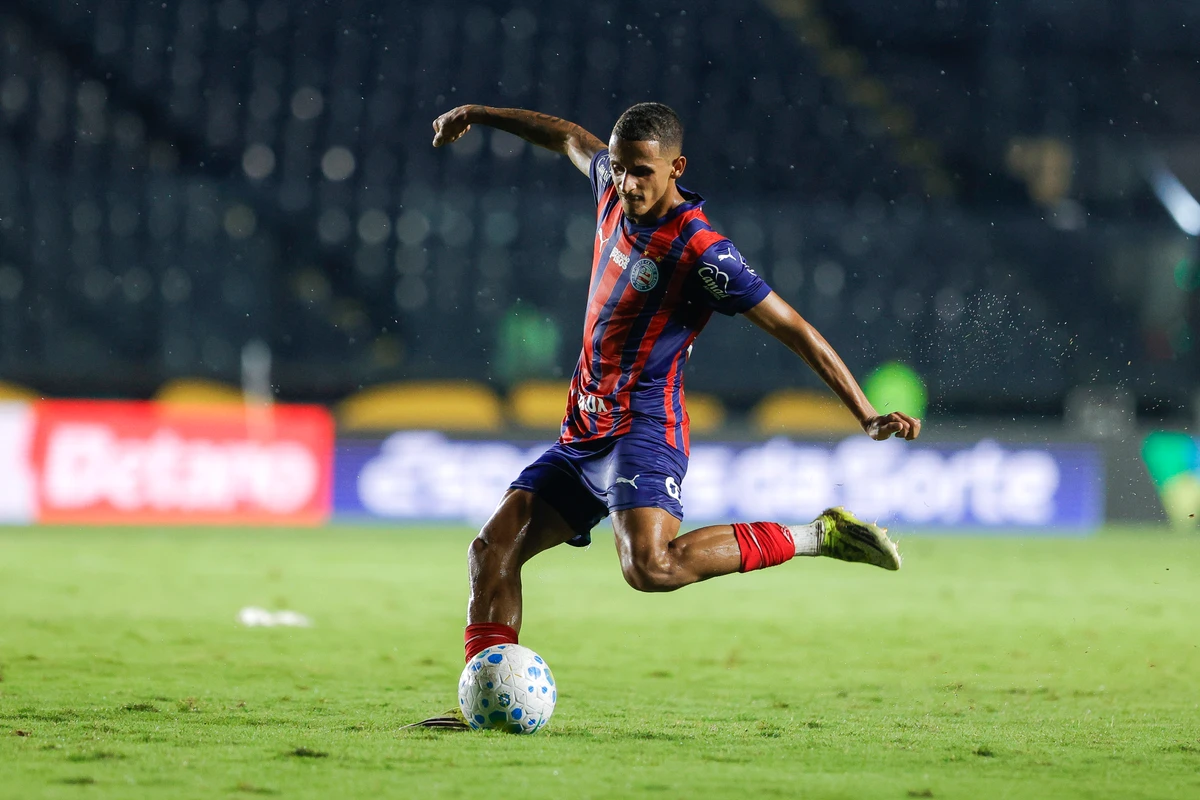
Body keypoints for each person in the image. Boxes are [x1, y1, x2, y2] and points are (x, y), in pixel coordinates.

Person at [415, 102, 921, 728]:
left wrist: (865, 413)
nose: (627, 183)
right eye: (620, 168)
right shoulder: (610, 185)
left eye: (642, 172)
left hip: (645, 428)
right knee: (491, 551)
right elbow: (567, 136)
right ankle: (484, 703)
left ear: (676, 168)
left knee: (650, 567)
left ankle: (819, 536)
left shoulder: (701, 250)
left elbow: (794, 328)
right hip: (585, 429)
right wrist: (480, 114)